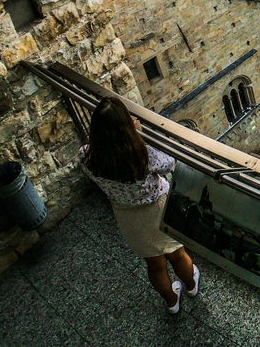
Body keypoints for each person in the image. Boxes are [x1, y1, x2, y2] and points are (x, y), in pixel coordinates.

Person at [79, 98, 199, 314]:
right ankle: (191, 286)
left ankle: (172, 302)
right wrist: (139, 133)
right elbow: (169, 163)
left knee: (154, 264)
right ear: (126, 125)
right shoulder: (142, 153)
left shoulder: (86, 155)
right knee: (176, 254)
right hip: (157, 210)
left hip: (128, 217)